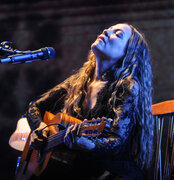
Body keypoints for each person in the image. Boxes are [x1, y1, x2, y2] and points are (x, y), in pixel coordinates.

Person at [26, 23, 154, 180]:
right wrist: (39, 129)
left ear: (128, 54)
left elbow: (117, 142)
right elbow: (35, 106)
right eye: (109, 29)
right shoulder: (79, 81)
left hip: (111, 171)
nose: (106, 31)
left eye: (117, 34)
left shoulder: (127, 86)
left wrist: (89, 145)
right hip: (77, 166)